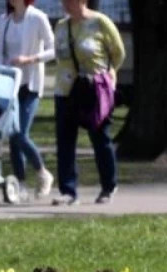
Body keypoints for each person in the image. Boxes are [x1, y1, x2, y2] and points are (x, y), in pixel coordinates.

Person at [52, 0, 125, 205]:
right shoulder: (61, 26)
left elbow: (118, 53)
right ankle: (68, 191)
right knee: (65, 142)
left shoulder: (100, 22)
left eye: (70, 0)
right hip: (65, 91)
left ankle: (108, 186)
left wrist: (109, 74)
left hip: (94, 90)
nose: (65, 4)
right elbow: (59, 56)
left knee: (100, 139)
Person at [0, 0, 56, 198]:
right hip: (9, 86)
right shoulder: (4, 20)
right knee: (12, 137)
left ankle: (43, 173)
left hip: (30, 85)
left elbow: (54, 49)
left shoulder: (37, 18)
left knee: (19, 133)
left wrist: (31, 59)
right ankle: (21, 184)